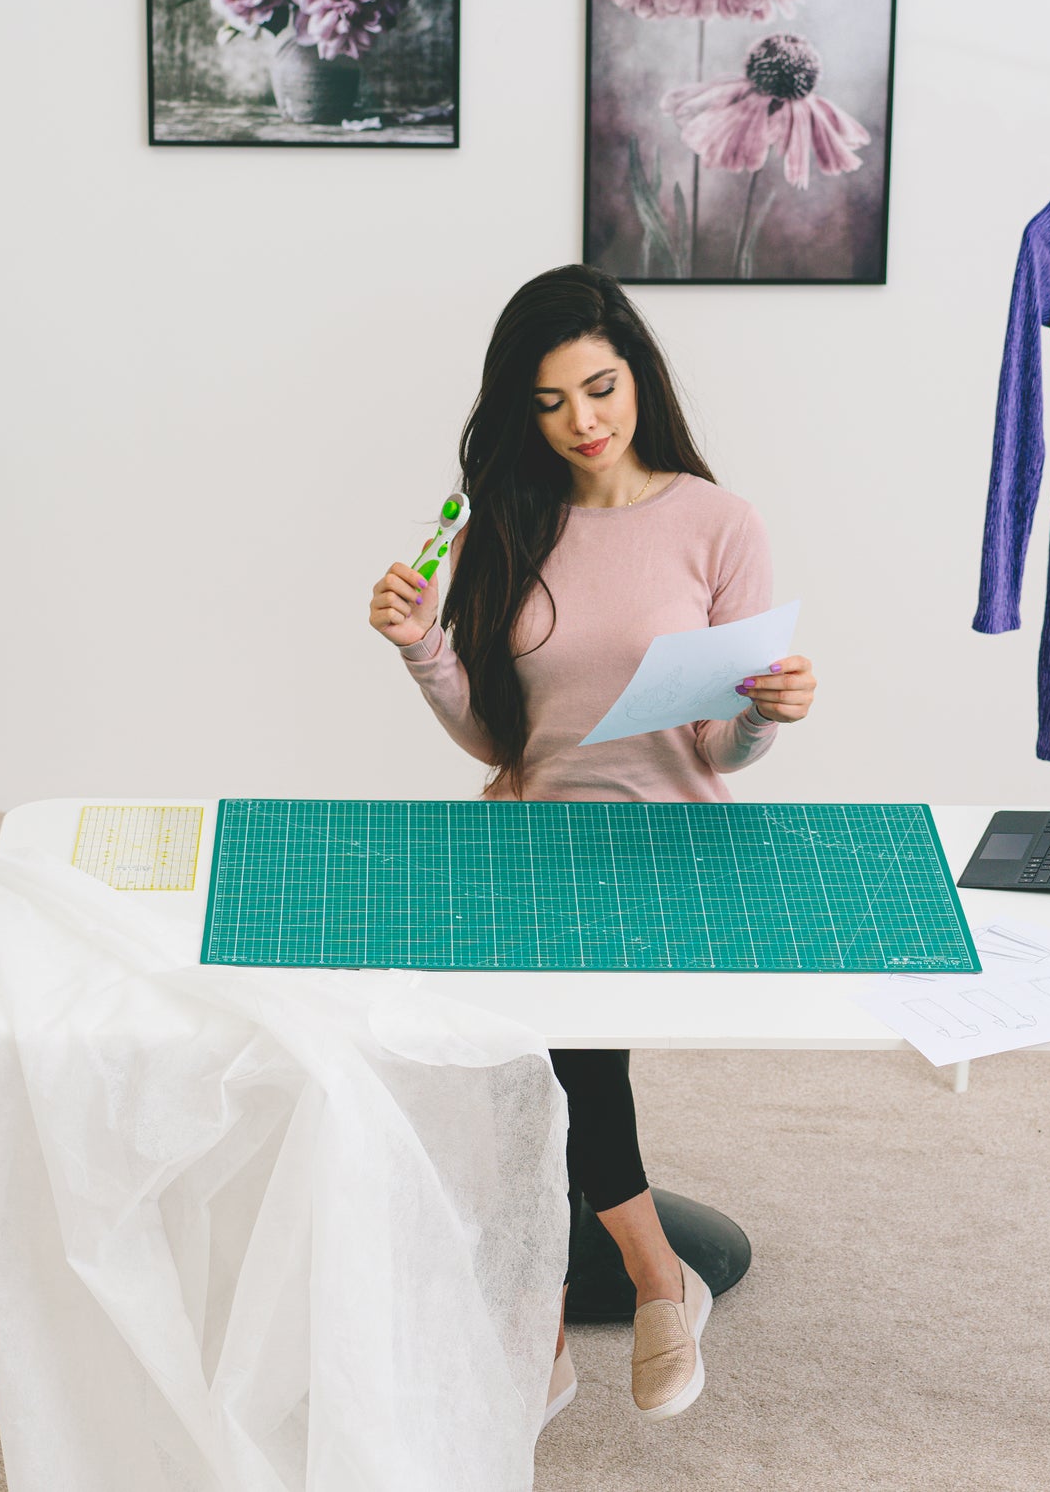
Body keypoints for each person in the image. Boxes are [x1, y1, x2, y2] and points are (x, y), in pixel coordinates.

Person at [368, 263, 817, 1428]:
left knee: (566, 1047)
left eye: (600, 388)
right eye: (551, 402)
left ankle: (560, 1309)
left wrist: (770, 706)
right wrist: (424, 646)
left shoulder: (720, 523)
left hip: (668, 848)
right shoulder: (506, 521)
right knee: (545, 1066)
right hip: (528, 839)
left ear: (638, 377)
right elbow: (494, 739)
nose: (583, 422)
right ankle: (643, 1278)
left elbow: (721, 749)